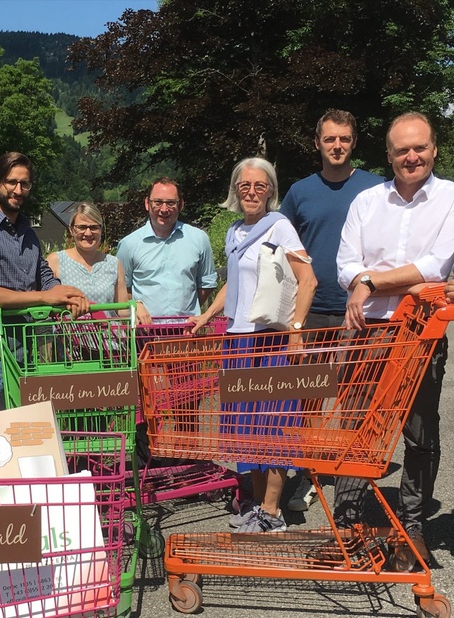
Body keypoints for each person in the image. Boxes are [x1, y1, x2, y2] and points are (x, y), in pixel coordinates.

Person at [336, 111, 454, 565]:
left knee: (420, 435)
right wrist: (364, 278)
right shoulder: (366, 202)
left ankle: (412, 526)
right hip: (370, 332)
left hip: (422, 335)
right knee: (358, 428)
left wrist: (368, 281)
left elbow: (434, 268)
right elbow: (345, 265)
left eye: (419, 147)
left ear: (434, 149)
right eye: (402, 149)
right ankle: (348, 522)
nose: (411, 156)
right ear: (388, 155)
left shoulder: (448, 199)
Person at [188, 157, 317, 533]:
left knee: (273, 423)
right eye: (245, 185)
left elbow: (307, 279)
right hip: (237, 340)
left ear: (271, 191)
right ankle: (258, 505)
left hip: (269, 340)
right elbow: (234, 284)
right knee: (246, 428)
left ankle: (273, 512)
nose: (252, 192)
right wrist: (209, 314)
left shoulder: (279, 227)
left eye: (260, 186)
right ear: (235, 190)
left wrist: (294, 332)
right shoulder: (233, 231)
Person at [281, 110, 384, 512]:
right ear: (317, 143)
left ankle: (350, 483)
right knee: (308, 399)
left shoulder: (375, 188)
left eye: (344, 139)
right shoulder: (300, 191)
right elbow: (283, 246)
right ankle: (309, 473)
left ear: (354, 141)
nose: (337, 146)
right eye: (329, 139)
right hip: (311, 312)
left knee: (355, 398)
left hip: (363, 312)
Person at [0, 151, 89, 330]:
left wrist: (67, 295)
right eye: (11, 182)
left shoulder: (28, 232)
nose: (18, 191)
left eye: (24, 184)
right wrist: (43, 297)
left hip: (31, 344)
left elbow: (43, 275)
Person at [116, 177, 218, 322]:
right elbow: (121, 291)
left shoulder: (199, 239)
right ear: (147, 203)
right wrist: (137, 307)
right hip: (145, 334)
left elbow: (207, 284)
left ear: (181, 204)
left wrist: (186, 310)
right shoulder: (128, 245)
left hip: (187, 332)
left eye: (170, 203)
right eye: (158, 202)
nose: (164, 209)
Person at [46, 202, 148, 322]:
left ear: (101, 230)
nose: (88, 233)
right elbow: (46, 304)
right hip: (70, 338)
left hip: (108, 339)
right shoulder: (55, 261)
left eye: (94, 227)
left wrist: (136, 306)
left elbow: (122, 310)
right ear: (71, 230)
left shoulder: (113, 264)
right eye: (82, 227)